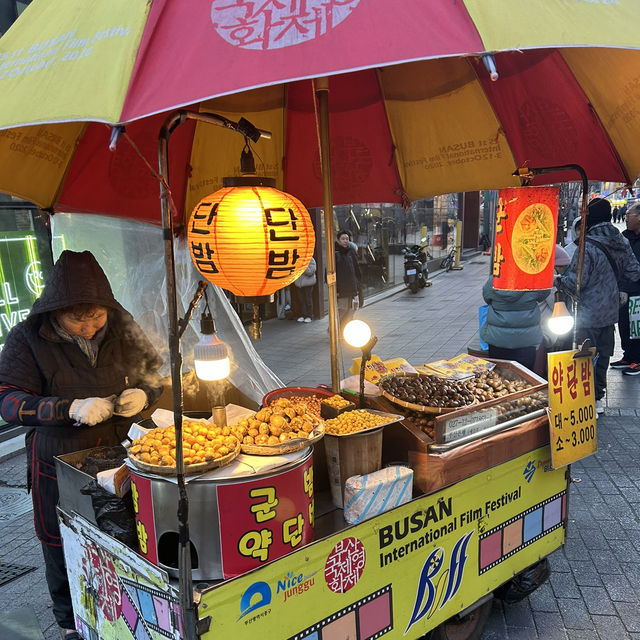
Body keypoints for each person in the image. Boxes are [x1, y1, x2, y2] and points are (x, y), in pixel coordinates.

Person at [0, 251, 163, 640]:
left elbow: (154, 372)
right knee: (61, 541)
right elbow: (6, 399)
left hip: (119, 452)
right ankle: (69, 622)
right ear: (56, 312)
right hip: (58, 461)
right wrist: (66, 407)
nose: (89, 327)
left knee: (124, 534)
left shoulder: (122, 325)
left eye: (96, 317)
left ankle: (126, 615)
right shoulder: (27, 338)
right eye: (77, 319)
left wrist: (144, 394)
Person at [557, 198, 640, 415]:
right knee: (603, 354)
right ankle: (598, 398)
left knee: (584, 355)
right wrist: (613, 284)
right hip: (611, 310)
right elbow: (634, 271)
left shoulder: (588, 244)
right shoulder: (621, 241)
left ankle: (585, 400)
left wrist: (558, 279)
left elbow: (576, 282)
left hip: (588, 312)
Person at [480, 277, 551, 372]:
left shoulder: (494, 280)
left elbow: (487, 297)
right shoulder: (532, 280)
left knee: (499, 374)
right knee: (525, 375)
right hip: (526, 339)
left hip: (498, 338)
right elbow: (544, 294)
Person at [611, 202, 640, 374]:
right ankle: (628, 356)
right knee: (624, 324)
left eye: (629, 215)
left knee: (637, 327)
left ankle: (637, 360)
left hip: (638, 290)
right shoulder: (625, 236)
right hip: (624, 289)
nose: (626, 218)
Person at [335, 230, 361, 331]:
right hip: (342, 289)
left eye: (347, 239)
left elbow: (356, 268)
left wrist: (358, 284)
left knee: (352, 309)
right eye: (343, 239)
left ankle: (345, 331)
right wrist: (336, 289)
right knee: (342, 309)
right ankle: (334, 330)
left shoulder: (351, 252)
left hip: (352, 287)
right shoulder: (335, 254)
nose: (345, 241)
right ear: (338, 240)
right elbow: (330, 273)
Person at [293, 256, 316, 323]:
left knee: (308, 300)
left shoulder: (310, 259)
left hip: (308, 284)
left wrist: (303, 266)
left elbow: (311, 272)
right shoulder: (297, 259)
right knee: (301, 300)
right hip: (299, 284)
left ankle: (310, 316)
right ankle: (303, 315)